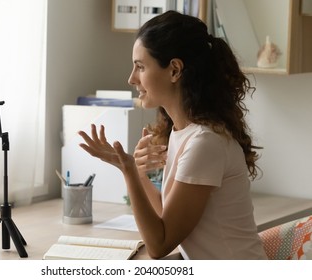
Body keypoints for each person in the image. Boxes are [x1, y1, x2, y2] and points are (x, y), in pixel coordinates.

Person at [78, 11, 267, 260]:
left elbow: (160, 244)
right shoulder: (184, 134)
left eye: (140, 67)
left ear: (175, 70)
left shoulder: (204, 143)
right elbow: (167, 217)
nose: (131, 79)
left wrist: (129, 171)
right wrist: (137, 172)